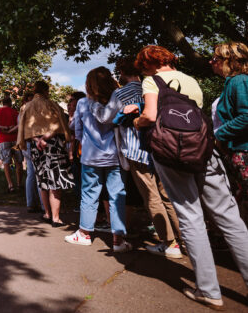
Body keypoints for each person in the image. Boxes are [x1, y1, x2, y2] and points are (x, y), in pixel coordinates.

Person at [131, 45, 248, 309]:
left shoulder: (151, 81)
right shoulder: (192, 81)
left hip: (172, 155)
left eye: (143, 66)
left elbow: (150, 115)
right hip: (205, 150)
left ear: (148, 64)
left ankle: (209, 291)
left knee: (191, 217)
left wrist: (136, 121)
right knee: (230, 218)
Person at [90, 58, 182, 258]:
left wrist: (94, 106)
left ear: (122, 73)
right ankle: (184, 238)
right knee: (166, 194)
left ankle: (169, 243)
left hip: (136, 149)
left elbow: (105, 117)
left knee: (151, 197)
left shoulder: (120, 93)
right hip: (161, 147)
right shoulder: (152, 88)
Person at [65, 67, 131, 252]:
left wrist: (83, 142)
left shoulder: (83, 103)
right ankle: (118, 239)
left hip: (90, 155)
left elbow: (77, 130)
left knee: (89, 195)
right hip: (114, 155)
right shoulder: (116, 100)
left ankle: (84, 233)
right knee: (117, 195)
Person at [16, 81, 74, 227]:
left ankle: (47, 213)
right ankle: (56, 217)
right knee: (55, 181)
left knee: (42, 179)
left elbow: (24, 129)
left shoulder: (26, 107)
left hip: (36, 147)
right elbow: (60, 124)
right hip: (54, 145)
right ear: (46, 91)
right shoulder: (53, 104)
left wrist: (37, 139)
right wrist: (46, 138)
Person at [212, 41, 248, 223]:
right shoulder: (234, 82)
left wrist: (219, 134)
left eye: (215, 58)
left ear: (229, 60)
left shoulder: (239, 81)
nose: (211, 62)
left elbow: (246, 116)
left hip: (244, 150)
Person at [0, 97, 22, 190]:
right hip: (15, 140)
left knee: (6, 162)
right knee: (18, 162)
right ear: (10, 103)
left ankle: (10, 184)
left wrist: (4, 127)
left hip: (4, 140)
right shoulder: (15, 112)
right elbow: (19, 125)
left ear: (2, 103)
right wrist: (10, 128)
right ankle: (19, 184)